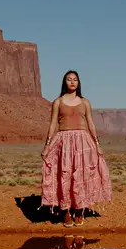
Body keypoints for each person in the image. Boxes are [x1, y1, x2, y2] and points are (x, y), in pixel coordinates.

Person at [41, 70, 112, 227]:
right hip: (63, 142)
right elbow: (53, 124)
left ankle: (79, 210)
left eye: (75, 80)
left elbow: (91, 124)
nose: (72, 82)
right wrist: (47, 146)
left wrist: (97, 145)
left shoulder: (85, 102)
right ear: (64, 82)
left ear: (79, 83)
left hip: (82, 142)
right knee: (65, 175)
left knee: (80, 175)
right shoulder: (58, 102)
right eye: (69, 79)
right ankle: (66, 211)